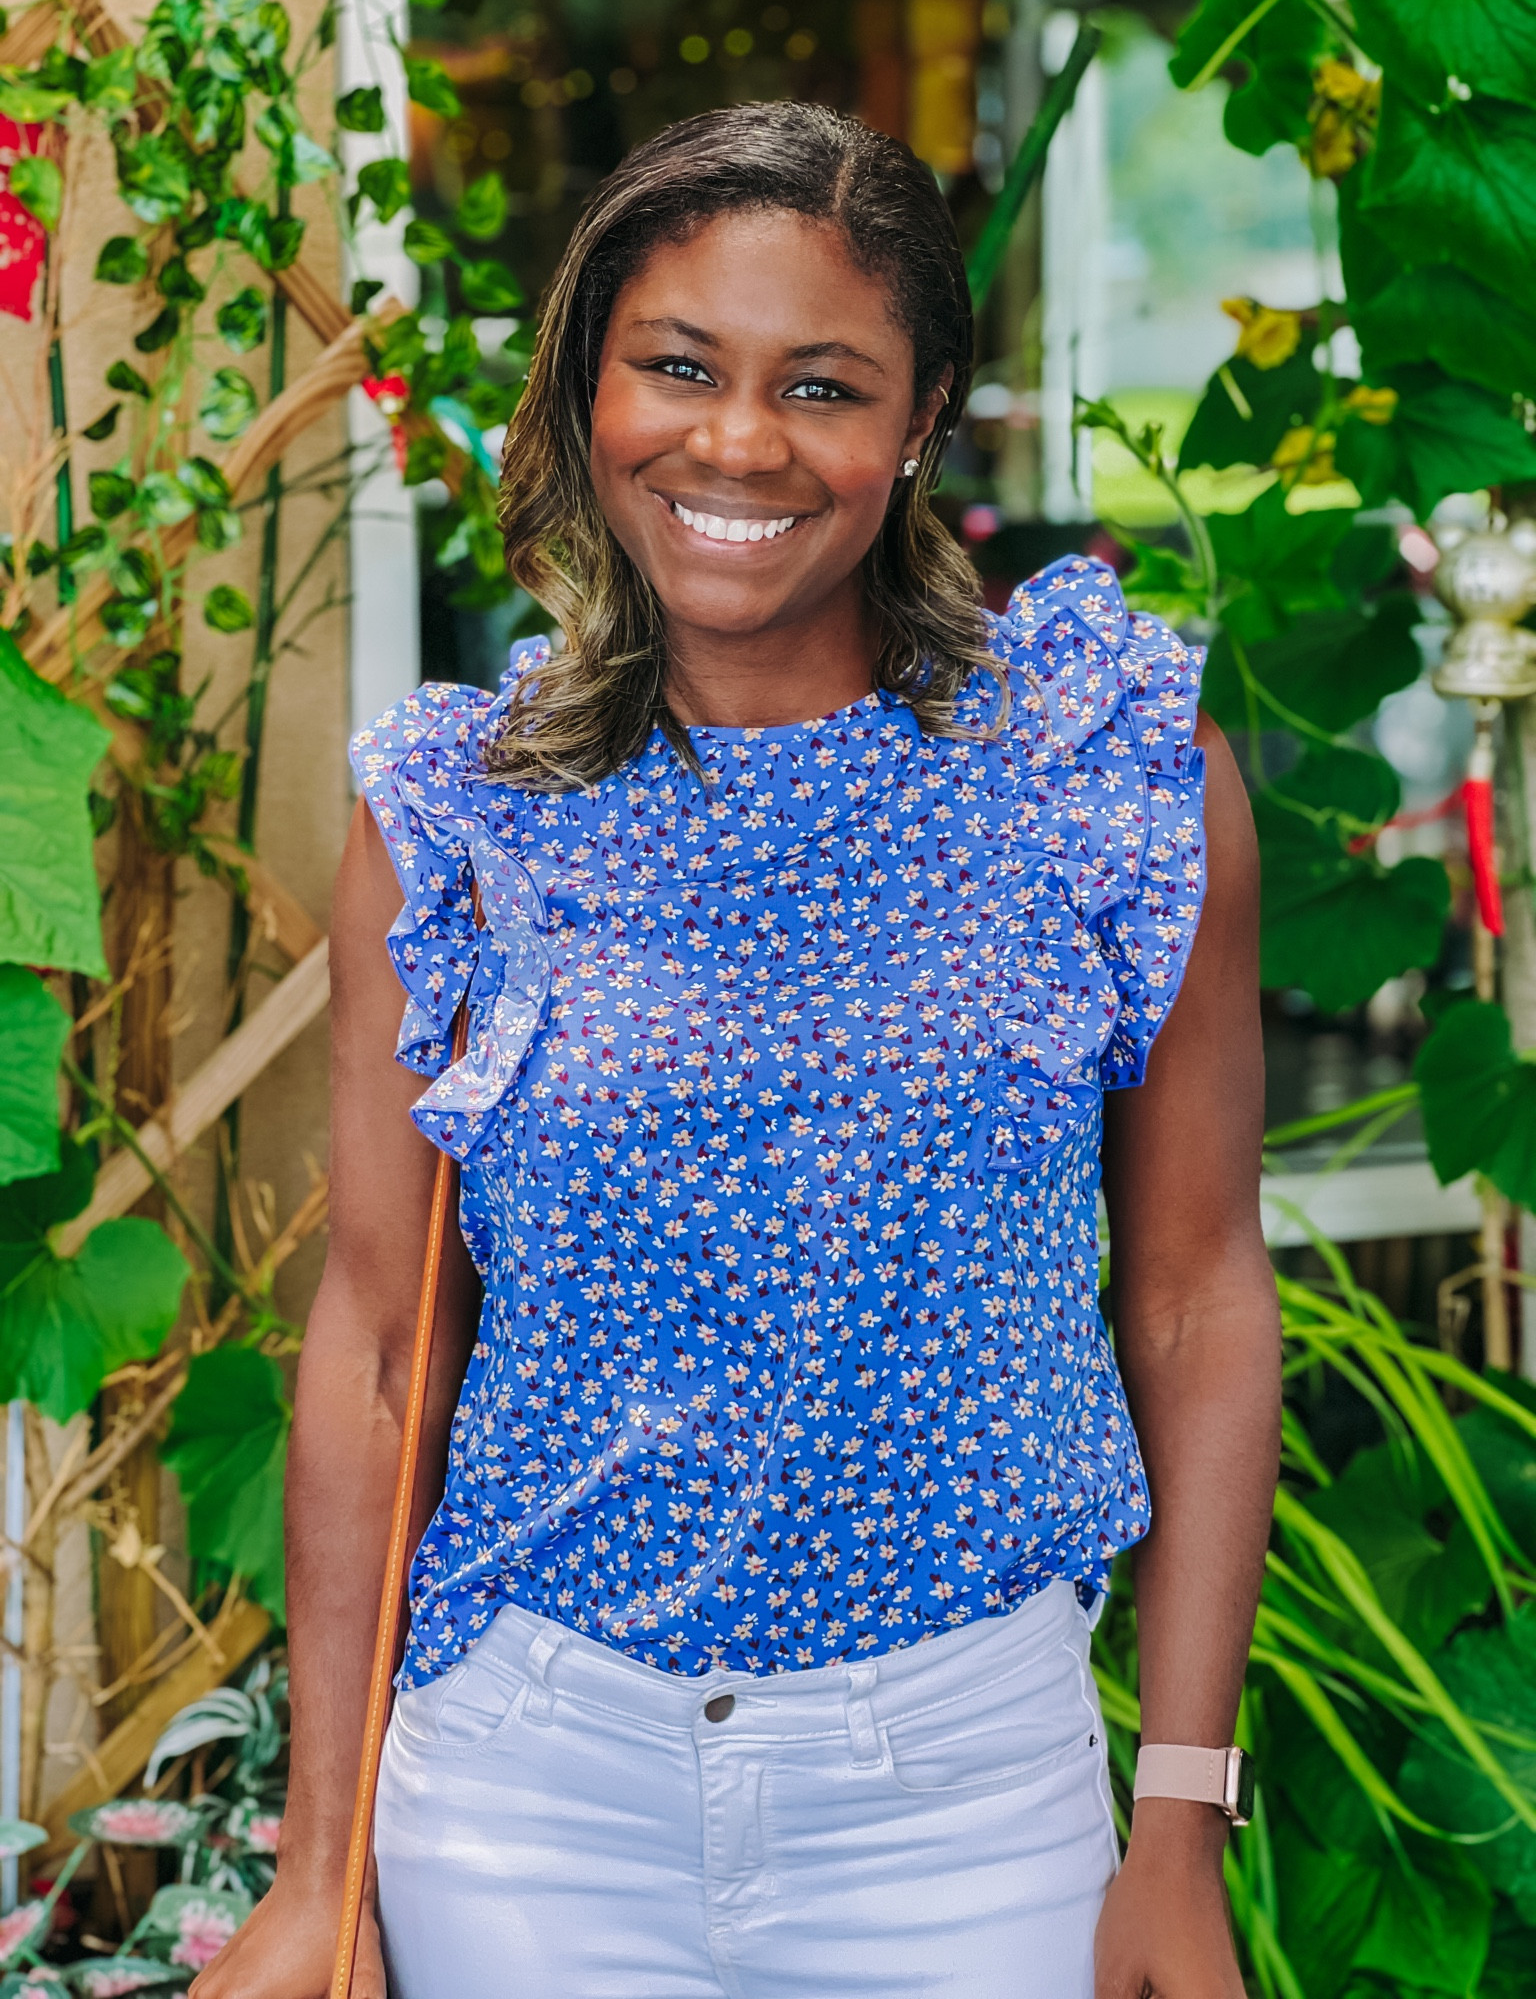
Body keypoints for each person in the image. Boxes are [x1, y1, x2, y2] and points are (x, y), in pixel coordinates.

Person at [193, 102, 1278, 1999]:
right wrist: (319, 1873)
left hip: (967, 1809)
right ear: (588, 384)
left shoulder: (1096, 772)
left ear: (924, 417)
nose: (740, 443)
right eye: (678, 366)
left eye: (825, 385)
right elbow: (378, 1348)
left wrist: (1177, 1819)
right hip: (530, 1799)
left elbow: (1192, 1298)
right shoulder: (465, 806)